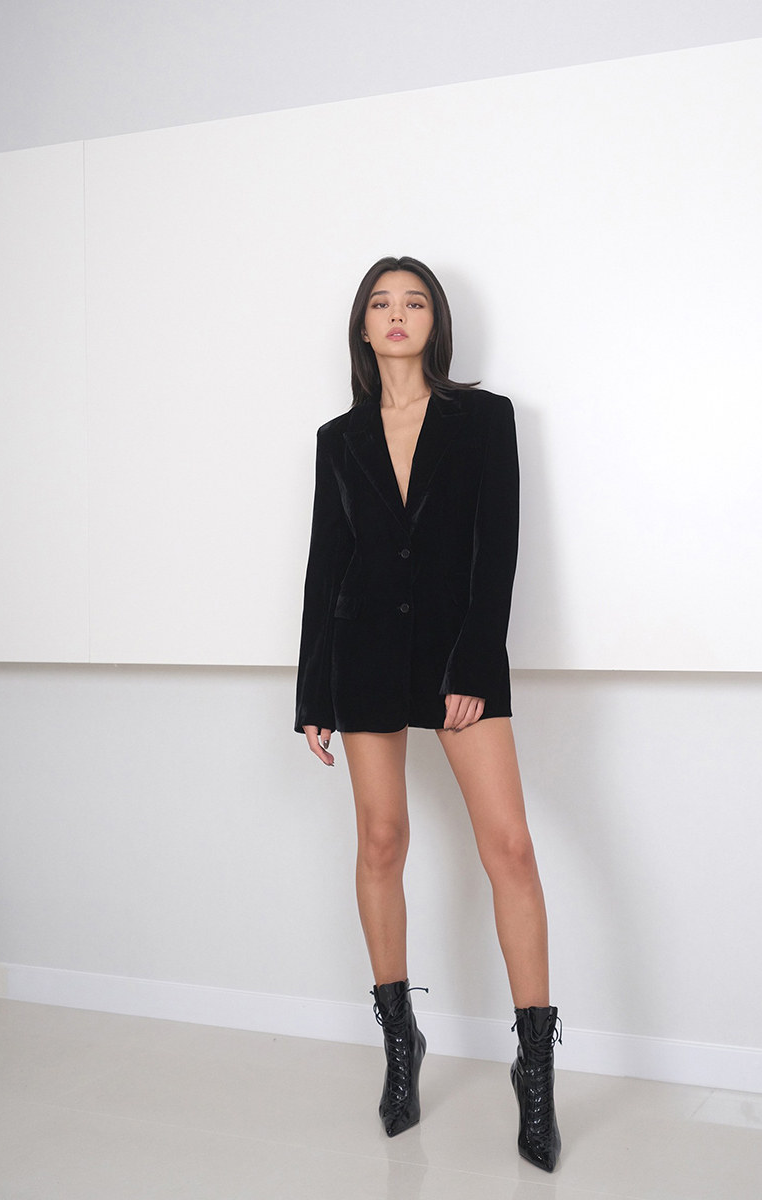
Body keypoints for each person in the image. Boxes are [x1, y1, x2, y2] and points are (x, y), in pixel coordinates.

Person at [294, 256, 560, 1172]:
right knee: (381, 841)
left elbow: (499, 547)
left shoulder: (484, 419)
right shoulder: (338, 438)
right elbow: (327, 563)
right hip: (365, 653)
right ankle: (400, 1041)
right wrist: (313, 691)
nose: (397, 314)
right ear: (364, 328)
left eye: (414, 302)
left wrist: (476, 661)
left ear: (435, 323)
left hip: (457, 659)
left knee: (510, 848)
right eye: (381, 303)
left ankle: (535, 1071)